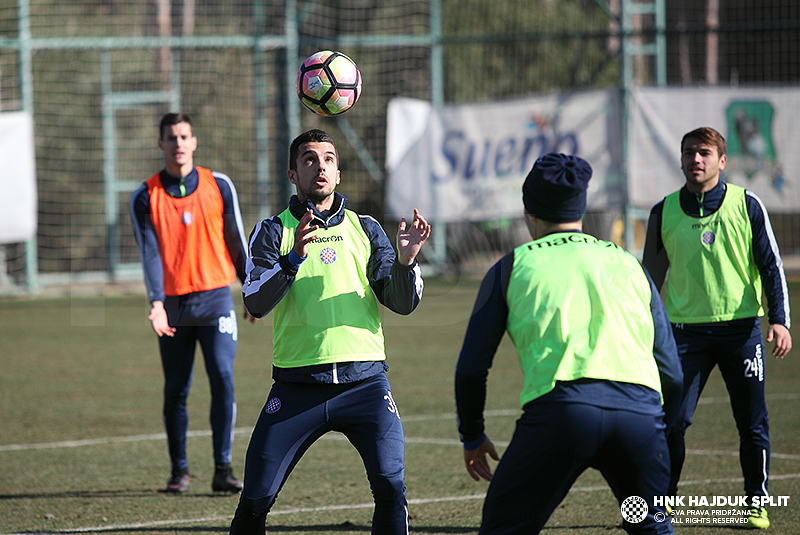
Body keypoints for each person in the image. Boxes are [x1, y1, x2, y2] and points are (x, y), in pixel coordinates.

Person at [455, 152, 683, 535]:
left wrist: (473, 434)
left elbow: (472, 367)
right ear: (581, 207)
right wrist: (660, 428)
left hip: (562, 413)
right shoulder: (630, 264)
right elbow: (672, 373)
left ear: (529, 212)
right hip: (640, 418)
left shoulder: (511, 266)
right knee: (652, 528)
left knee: (503, 528)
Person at [229, 128, 431, 535]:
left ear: (338, 174)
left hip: (366, 387)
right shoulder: (272, 231)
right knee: (254, 501)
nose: (319, 166)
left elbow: (402, 301)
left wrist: (406, 263)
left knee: (391, 489)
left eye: (328, 159)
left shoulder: (367, 229)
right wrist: (292, 260)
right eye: (308, 159)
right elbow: (255, 302)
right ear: (292, 174)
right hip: (296, 388)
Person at [642, 126, 792, 529]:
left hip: (741, 332)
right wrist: (640, 327)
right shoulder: (663, 211)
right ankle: (661, 501)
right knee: (671, 421)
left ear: (722, 161)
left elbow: (771, 266)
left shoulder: (747, 205)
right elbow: (649, 279)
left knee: (752, 422)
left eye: (705, 152)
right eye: (689, 152)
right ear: (681, 158)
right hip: (684, 335)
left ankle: (756, 503)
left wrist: (779, 321)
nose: (696, 159)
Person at [130, 112, 252, 494]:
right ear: (161, 144)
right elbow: (149, 254)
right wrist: (156, 303)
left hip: (216, 300)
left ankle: (223, 470)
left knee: (223, 377)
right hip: (173, 307)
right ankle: (179, 472)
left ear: (194, 142)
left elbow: (236, 240)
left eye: (184, 136)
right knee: (176, 389)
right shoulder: (145, 196)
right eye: (171, 137)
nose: (178, 143)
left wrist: (251, 288)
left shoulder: (219, 185)